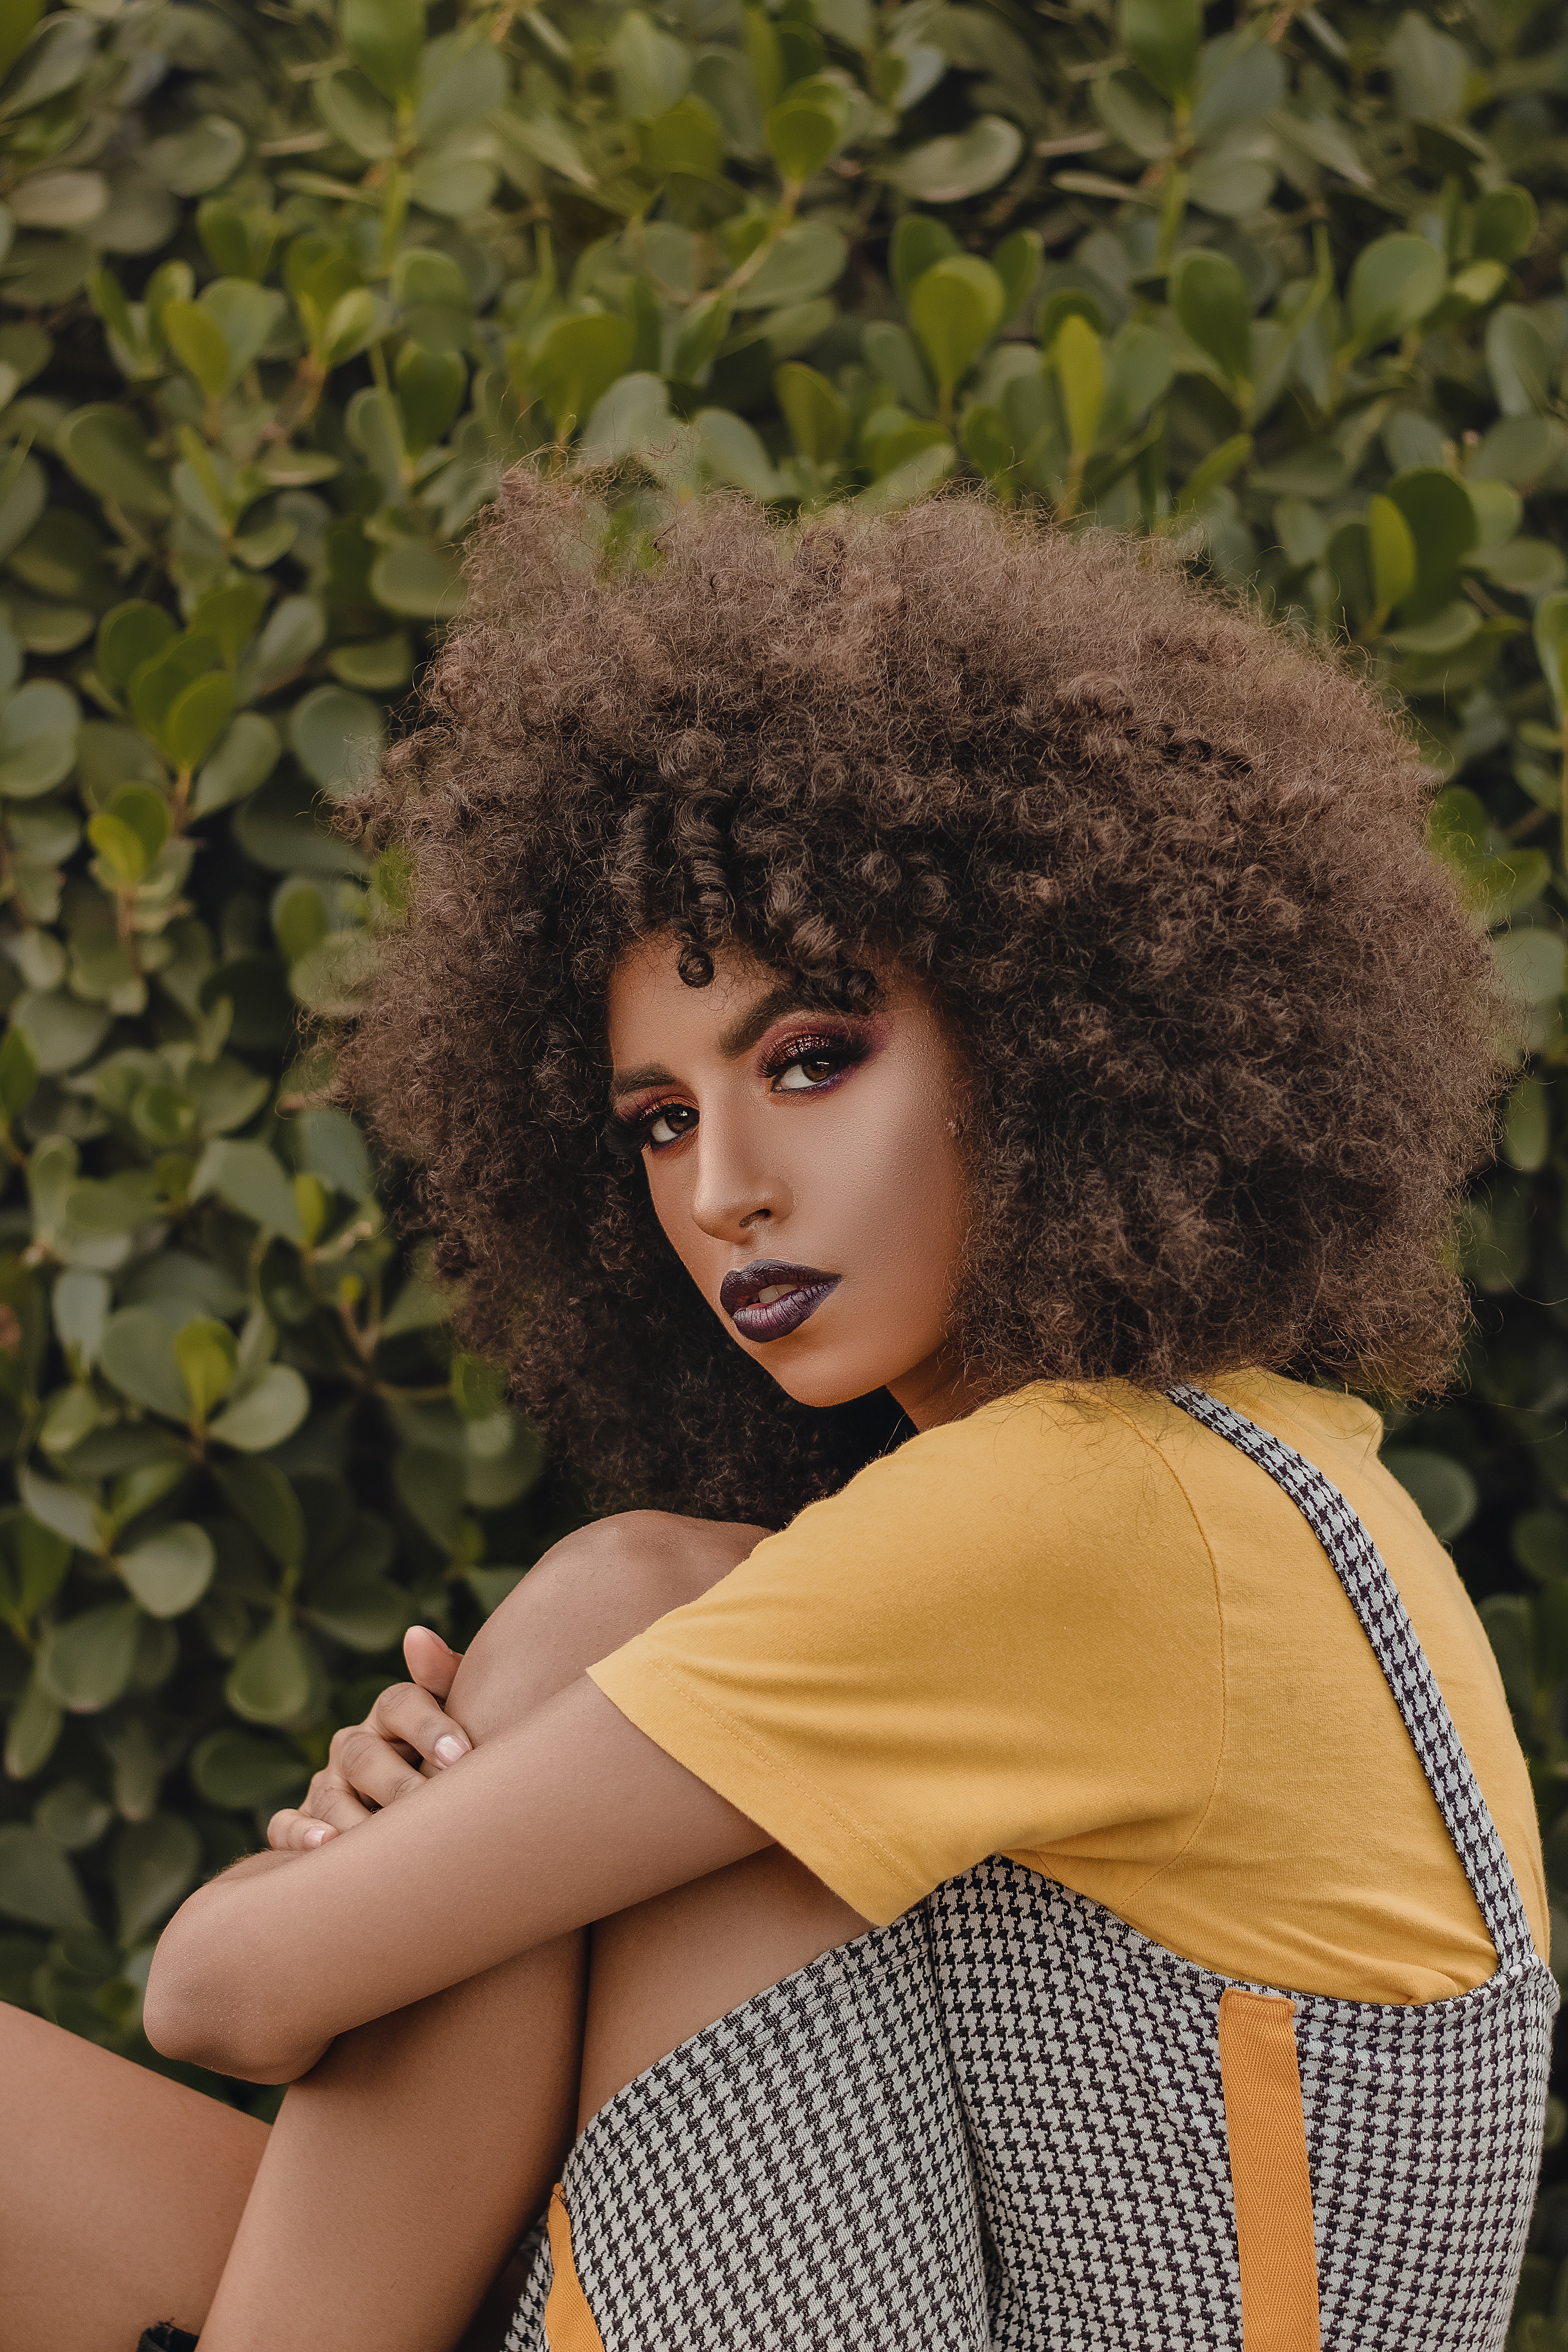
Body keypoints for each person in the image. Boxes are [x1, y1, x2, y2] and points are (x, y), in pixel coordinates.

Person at [0, 486, 1552, 2352]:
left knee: (616, 1606)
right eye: (659, 1117)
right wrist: (428, 1840)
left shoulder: (1089, 1514)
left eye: (814, 1059)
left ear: (1052, 1032)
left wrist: (363, 1853)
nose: (725, 1185)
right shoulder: (1233, 1476)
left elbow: (221, 1991)